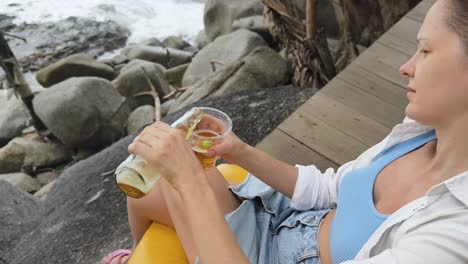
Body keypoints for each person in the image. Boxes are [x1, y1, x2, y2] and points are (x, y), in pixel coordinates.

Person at [104, 0, 468, 263]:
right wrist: (236, 150)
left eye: (424, 50)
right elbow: (329, 189)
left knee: (170, 183)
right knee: (145, 190)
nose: (406, 67)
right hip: (293, 221)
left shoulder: (450, 236)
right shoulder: (419, 133)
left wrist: (189, 180)